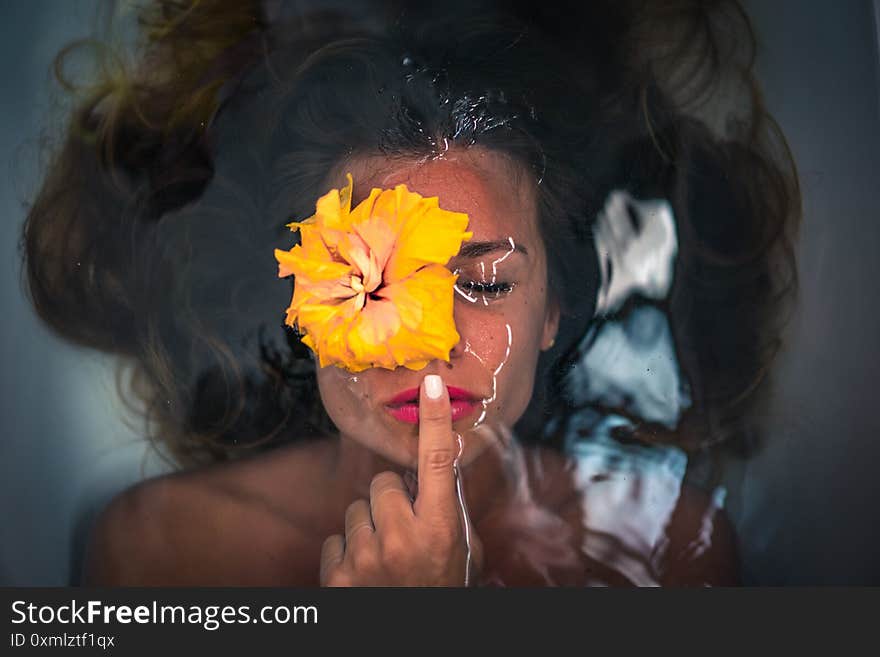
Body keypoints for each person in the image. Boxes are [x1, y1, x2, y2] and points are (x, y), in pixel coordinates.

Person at [21, 0, 799, 586]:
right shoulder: (160, 551)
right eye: (368, 280)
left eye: (484, 282)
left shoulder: (675, 559)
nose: (428, 337)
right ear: (296, 302)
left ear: (555, 310)